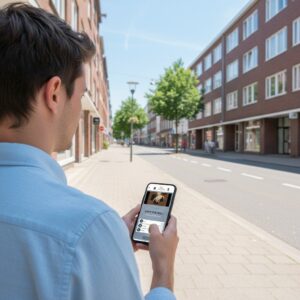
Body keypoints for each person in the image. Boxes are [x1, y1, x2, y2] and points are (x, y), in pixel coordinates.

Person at [0, 3, 178, 300]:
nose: (80, 105)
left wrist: (111, 239)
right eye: (81, 94)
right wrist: (163, 274)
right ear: (54, 93)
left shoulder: (92, 231)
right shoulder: (87, 227)